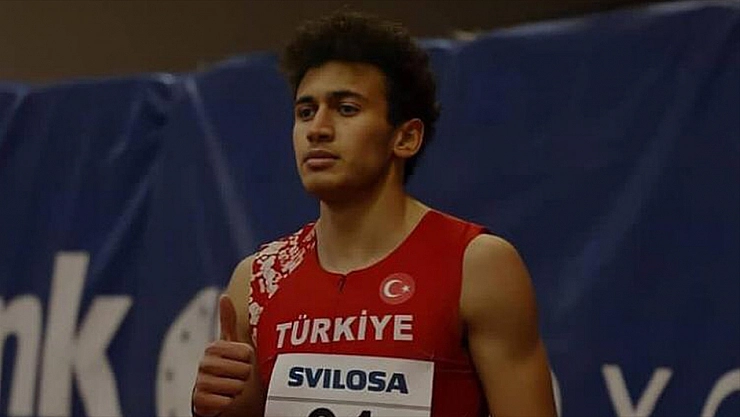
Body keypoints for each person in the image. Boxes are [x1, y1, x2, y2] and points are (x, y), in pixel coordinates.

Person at [192, 10, 557, 417]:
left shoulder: (477, 264)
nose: (318, 129)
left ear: (406, 137)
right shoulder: (257, 279)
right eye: (305, 112)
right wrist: (236, 412)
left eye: (346, 109)